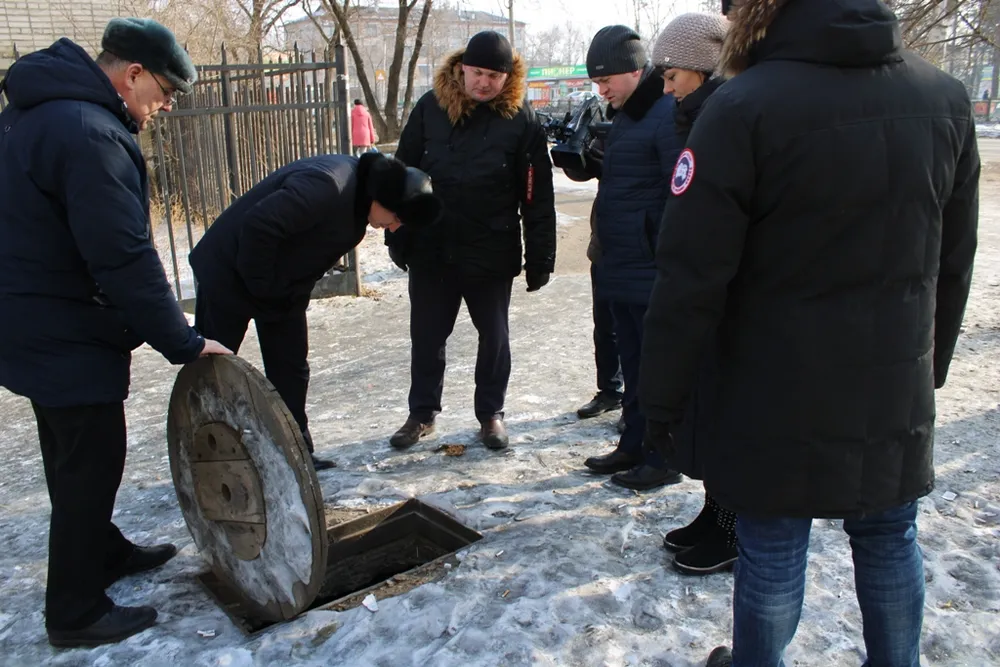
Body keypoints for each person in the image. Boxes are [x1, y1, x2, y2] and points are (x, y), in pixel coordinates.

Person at [638, 1, 979, 665]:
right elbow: (953, 258)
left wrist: (662, 395)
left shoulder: (741, 106)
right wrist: (927, 363)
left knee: (773, 540)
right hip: (892, 376)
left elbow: (689, 276)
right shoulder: (942, 97)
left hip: (774, 384)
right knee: (888, 533)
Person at [0, 18, 233, 647]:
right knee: (91, 464)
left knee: (69, 454)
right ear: (131, 74)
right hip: (63, 327)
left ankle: (101, 551)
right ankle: (74, 611)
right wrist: (182, 341)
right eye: (164, 92)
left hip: (29, 319)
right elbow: (124, 257)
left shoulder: (36, 112)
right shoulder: (88, 132)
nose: (163, 107)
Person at [190, 152, 443, 470]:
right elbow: (259, 226)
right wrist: (264, 289)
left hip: (278, 286)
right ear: (383, 197)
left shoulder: (357, 209)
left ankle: (295, 453)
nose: (393, 228)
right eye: (397, 218)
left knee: (291, 369)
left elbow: (308, 258)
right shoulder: (329, 185)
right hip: (227, 272)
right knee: (214, 368)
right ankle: (206, 460)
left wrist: (284, 297)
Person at [385, 30, 556, 451]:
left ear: (507, 77)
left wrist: (540, 256)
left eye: (494, 76)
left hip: (491, 247)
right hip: (432, 246)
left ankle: (491, 414)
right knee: (426, 335)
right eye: (477, 73)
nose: (484, 83)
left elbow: (536, 194)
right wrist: (399, 238)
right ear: (461, 69)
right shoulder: (430, 108)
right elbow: (401, 177)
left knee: (494, 338)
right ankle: (421, 414)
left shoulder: (521, 119)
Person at [571, 25, 684, 491]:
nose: (601, 90)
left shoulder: (665, 113)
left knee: (657, 368)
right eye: (596, 82)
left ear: (636, 71)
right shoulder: (626, 114)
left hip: (649, 264)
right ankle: (633, 444)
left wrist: (657, 248)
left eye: (607, 80)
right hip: (619, 258)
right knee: (633, 361)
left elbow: (676, 191)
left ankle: (663, 456)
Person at [647, 12, 735, 575]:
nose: (665, 83)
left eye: (672, 72)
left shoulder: (725, 115)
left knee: (728, 417)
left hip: (726, 295)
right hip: (700, 285)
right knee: (708, 410)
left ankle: (733, 526)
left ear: (703, 68)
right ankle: (715, 512)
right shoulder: (694, 114)